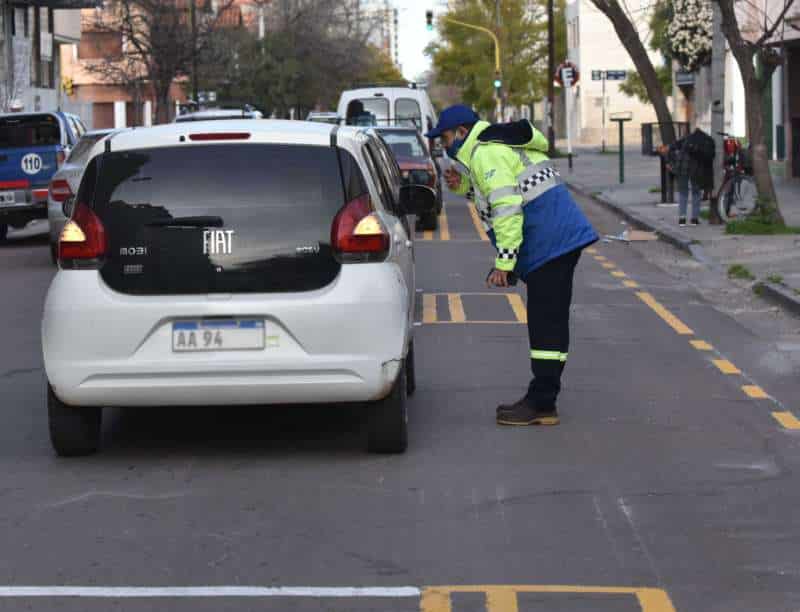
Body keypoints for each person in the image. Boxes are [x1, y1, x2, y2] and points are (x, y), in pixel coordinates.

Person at [427, 105, 599, 426]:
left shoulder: (484, 154)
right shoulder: (494, 145)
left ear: (462, 132)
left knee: (544, 324)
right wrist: (463, 187)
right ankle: (544, 397)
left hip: (550, 242)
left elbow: (507, 209)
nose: (444, 145)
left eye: (447, 137)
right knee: (551, 321)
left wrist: (504, 264)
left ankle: (542, 402)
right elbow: (506, 192)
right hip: (558, 238)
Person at [666, 128, 715, 226]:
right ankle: (694, 219)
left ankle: (682, 219)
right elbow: (708, 157)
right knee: (696, 193)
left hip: (682, 167)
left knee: (683, 192)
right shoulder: (705, 142)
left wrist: (671, 163)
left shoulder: (686, 139)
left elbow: (671, 148)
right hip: (696, 169)